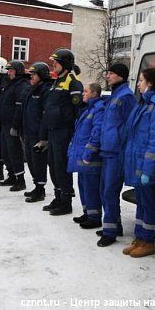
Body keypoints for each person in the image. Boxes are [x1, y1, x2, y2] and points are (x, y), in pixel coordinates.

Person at [121, 68, 155, 258]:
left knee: (148, 203)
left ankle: (148, 242)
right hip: (137, 160)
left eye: (141, 80)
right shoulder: (144, 103)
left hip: (146, 164)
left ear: (150, 83)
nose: (138, 83)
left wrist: (148, 170)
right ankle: (140, 238)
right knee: (141, 203)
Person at [95, 63, 136, 247]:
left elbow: (130, 125)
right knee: (104, 189)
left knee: (110, 191)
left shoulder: (126, 96)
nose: (108, 76)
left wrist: (120, 144)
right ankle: (114, 224)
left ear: (120, 76)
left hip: (116, 152)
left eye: (111, 73)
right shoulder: (115, 94)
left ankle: (110, 232)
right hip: (107, 149)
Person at [42, 48, 84, 216]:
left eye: (56, 62)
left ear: (65, 63)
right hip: (53, 131)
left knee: (61, 166)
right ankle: (58, 196)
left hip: (63, 132)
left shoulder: (73, 82)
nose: (53, 64)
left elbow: (77, 108)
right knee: (52, 165)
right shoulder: (57, 81)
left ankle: (66, 201)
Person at [67, 82, 105, 229]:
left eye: (86, 91)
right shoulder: (88, 109)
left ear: (94, 94)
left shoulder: (98, 110)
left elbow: (96, 133)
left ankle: (94, 217)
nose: (83, 94)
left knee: (91, 187)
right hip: (82, 156)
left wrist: (89, 152)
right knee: (83, 185)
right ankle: (87, 212)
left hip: (90, 158)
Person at [0, 60, 31, 190]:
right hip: (4, 124)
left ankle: (20, 179)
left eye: (11, 70)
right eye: (8, 70)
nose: (8, 72)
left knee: (14, 152)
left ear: (17, 71)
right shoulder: (9, 84)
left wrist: (15, 127)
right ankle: (11, 175)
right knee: (6, 152)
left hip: (12, 125)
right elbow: (1, 104)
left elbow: (19, 108)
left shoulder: (22, 85)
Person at [22, 62, 54, 203]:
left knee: (39, 163)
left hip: (38, 134)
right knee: (30, 161)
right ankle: (36, 186)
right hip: (28, 132)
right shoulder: (32, 89)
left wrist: (43, 137)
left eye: (34, 74)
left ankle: (40, 189)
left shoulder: (45, 90)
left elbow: (45, 115)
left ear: (41, 75)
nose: (31, 77)